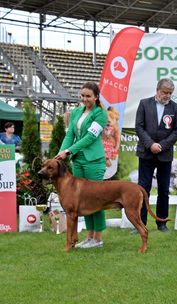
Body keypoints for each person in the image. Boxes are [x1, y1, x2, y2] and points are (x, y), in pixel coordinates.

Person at [55, 82, 108, 249]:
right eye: (82, 96)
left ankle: (97, 238)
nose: (84, 99)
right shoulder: (76, 112)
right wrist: (61, 153)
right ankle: (89, 236)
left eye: (88, 96)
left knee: (97, 199)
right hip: (78, 161)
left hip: (94, 161)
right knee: (82, 200)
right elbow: (70, 134)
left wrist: (69, 151)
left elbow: (89, 138)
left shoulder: (100, 114)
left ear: (96, 97)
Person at [135, 78, 177, 233]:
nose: (167, 96)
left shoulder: (175, 108)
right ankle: (140, 223)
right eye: (165, 92)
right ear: (157, 90)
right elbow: (139, 127)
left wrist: (162, 145)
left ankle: (161, 222)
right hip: (146, 153)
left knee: (163, 189)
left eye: (170, 93)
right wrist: (151, 144)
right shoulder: (144, 104)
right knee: (143, 189)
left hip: (165, 155)